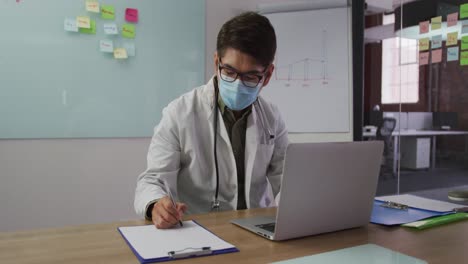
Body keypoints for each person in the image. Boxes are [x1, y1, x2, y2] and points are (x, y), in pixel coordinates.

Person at [134, 12, 288, 229]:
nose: (237, 84)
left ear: (268, 75)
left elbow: (288, 184)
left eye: (251, 77)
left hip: (258, 230)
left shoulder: (272, 118)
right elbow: (152, 180)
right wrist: (156, 204)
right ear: (217, 62)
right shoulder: (179, 113)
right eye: (229, 71)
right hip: (199, 230)